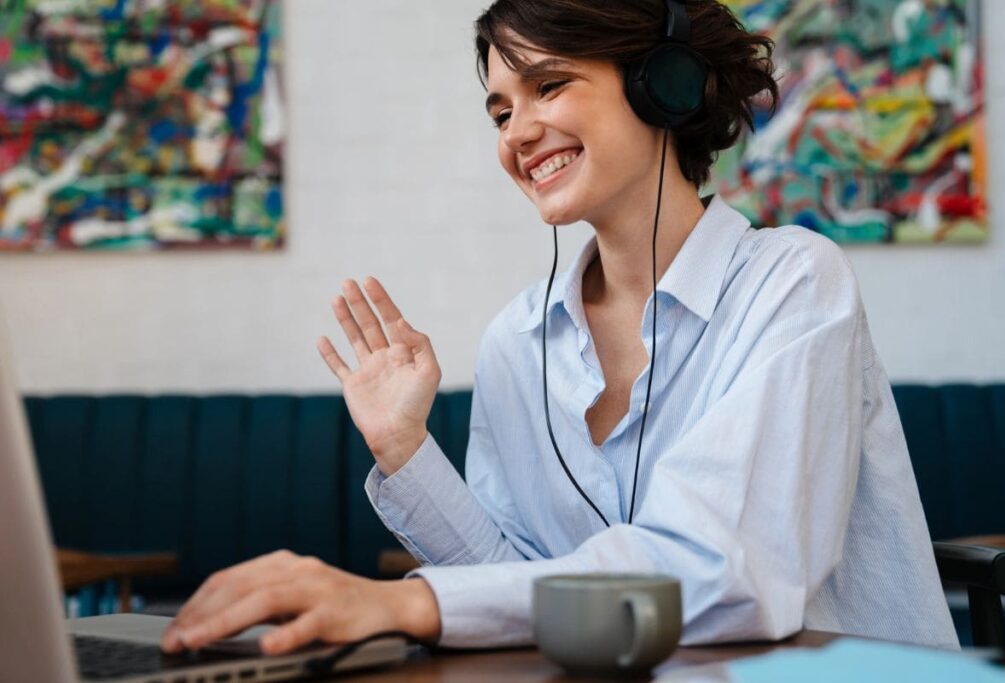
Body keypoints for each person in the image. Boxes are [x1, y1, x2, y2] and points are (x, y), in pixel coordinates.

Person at [161, 0, 959, 655]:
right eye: (501, 109)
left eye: (548, 87)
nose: (515, 132)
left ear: (663, 88)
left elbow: (726, 573)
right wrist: (404, 447)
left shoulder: (793, 284)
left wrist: (402, 604)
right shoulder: (519, 339)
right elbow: (519, 588)